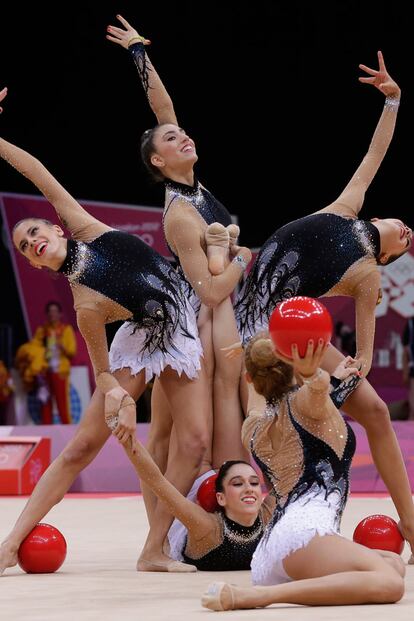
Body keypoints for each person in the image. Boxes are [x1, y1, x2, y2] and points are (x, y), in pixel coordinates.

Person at [0, 86, 243, 574]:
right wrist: (115, 395)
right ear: (34, 262)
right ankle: (9, 544)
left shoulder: (83, 225)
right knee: (83, 446)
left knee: (194, 443)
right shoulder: (84, 304)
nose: (34, 241)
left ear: (56, 230)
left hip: (179, 329)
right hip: (139, 341)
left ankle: (153, 548)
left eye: (36, 232)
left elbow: (37, 173)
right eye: (26, 246)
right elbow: (102, 368)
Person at [227, 51, 414, 558]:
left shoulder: (368, 273)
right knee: (266, 427)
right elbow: (374, 155)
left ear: (394, 254)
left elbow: (367, 348)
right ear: (384, 217)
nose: (404, 231)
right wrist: (393, 100)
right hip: (256, 328)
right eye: (405, 224)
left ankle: (411, 524)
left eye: (407, 240)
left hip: (280, 332)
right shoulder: (346, 207)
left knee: (373, 410)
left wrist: (359, 367)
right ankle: (269, 519)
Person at [106, 14, 251, 568]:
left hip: (186, 321)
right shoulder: (181, 213)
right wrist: (239, 256)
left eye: (181, 133)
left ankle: (164, 542)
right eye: (171, 140)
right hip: (186, 323)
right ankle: (155, 546)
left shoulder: (195, 186)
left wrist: (139, 53)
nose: (181, 134)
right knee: (191, 442)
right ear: (159, 163)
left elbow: (162, 111)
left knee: (171, 439)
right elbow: (212, 293)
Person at [202, 333, 406, 611]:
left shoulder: (252, 427)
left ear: (249, 380)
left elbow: (283, 399)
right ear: (295, 369)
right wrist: (315, 375)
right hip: (302, 535)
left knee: (394, 564)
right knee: (391, 583)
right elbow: (317, 389)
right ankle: (259, 597)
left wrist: (254, 352)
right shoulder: (308, 403)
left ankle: (277, 585)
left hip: (271, 550)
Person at [31, 301, 77, 424]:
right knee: (45, 402)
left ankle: (67, 431)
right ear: (47, 314)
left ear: (60, 314)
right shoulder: (42, 331)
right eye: (50, 311)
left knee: (62, 403)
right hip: (45, 371)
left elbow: (72, 352)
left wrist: (61, 346)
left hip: (59, 371)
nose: (52, 314)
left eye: (55, 311)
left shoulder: (66, 330)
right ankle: (47, 432)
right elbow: (33, 348)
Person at [402, 317, 414, 420]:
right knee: (413, 391)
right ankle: (412, 416)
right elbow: (405, 350)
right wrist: (405, 371)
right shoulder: (410, 324)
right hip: (413, 365)